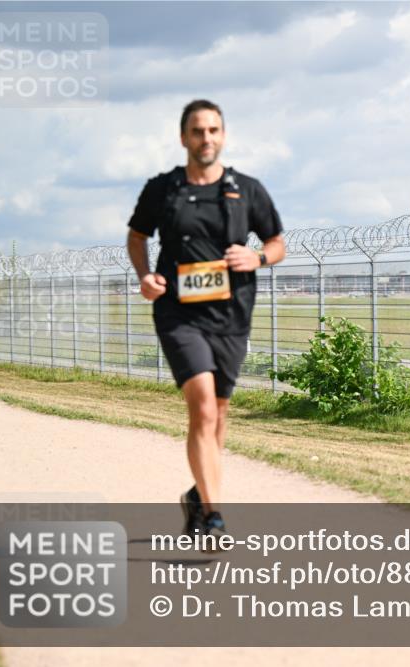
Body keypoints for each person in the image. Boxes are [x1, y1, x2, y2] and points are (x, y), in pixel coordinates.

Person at [126, 99, 285, 537]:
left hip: (231, 314)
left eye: (213, 130)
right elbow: (137, 237)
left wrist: (257, 256)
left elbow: (276, 243)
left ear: (223, 136)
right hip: (178, 313)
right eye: (197, 131)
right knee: (201, 407)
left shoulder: (247, 189)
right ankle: (214, 515)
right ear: (183, 138)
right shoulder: (162, 189)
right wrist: (145, 277)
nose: (206, 138)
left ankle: (198, 495)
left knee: (217, 412)